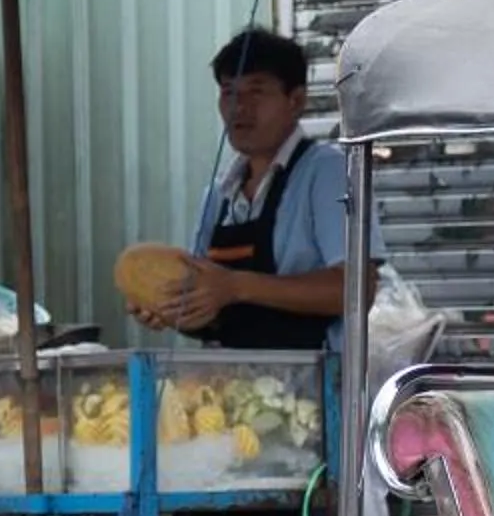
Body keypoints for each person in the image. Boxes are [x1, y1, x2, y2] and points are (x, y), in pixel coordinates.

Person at [136, 28, 372, 351]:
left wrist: (236, 285)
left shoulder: (326, 171)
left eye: (255, 92)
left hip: (314, 389)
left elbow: (357, 289)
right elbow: (213, 316)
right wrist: (172, 309)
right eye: (228, 92)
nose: (238, 108)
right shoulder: (218, 196)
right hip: (231, 389)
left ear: (296, 100)